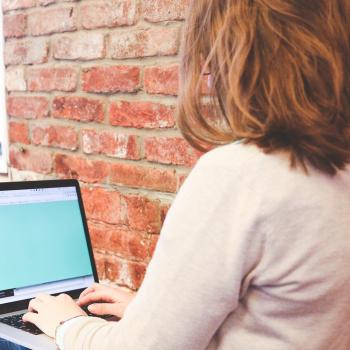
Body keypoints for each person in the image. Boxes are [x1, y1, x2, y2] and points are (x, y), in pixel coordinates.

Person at [3, 0, 350, 348]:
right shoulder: (337, 172)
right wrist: (148, 312)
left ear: (235, 53)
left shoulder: (241, 176)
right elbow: (276, 318)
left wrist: (67, 324)